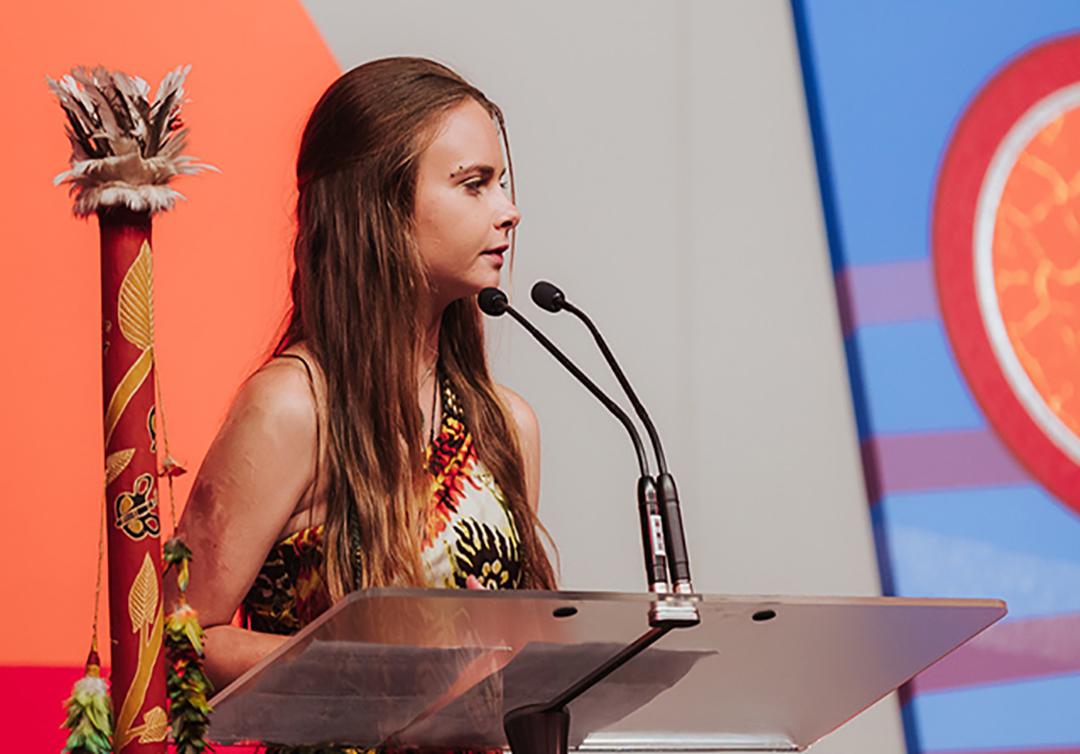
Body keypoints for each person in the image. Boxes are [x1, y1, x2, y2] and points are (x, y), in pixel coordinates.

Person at [168, 57, 558, 697]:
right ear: (381, 205)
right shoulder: (293, 408)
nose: (509, 210)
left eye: (503, 183)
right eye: (473, 184)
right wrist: (368, 671)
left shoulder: (507, 424)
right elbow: (177, 639)